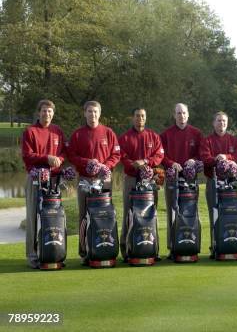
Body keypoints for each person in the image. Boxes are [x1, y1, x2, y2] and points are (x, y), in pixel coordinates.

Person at [67, 101, 120, 265]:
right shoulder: (77, 134)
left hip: (104, 179)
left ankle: (105, 248)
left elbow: (116, 154)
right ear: (85, 113)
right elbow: (71, 155)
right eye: (89, 111)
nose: (93, 115)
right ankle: (85, 252)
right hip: (85, 180)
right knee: (84, 216)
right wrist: (87, 162)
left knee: (104, 215)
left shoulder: (108, 132)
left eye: (95, 112)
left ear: (100, 113)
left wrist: (105, 166)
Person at [21, 99, 66, 269]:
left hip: (53, 180)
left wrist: (58, 160)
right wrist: (46, 158)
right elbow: (27, 155)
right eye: (44, 111)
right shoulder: (30, 131)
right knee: (33, 217)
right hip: (35, 179)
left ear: (53, 114)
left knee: (53, 217)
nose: (47, 114)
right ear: (38, 113)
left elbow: (63, 153)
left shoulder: (58, 131)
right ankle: (33, 255)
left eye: (50, 111)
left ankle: (53, 252)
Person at [118, 107, 164, 260]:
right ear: (133, 118)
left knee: (151, 213)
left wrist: (145, 162)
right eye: (137, 116)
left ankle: (153, 248)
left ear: (146, 118)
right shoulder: (125, 137)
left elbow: (159, 156)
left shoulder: (154, 136)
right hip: (131, 179)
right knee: (128, 212)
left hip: (150, 180)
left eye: (143, 116)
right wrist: (133, 164)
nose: (140, 119)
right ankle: (126, 249)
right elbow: (121, 157)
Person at [160, 103, 203, 259]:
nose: (181, 116)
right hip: (173, 177)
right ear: (174, 115)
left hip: (190, 178)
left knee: (191, 211)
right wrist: (172, 164)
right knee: (173, 212)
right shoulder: (166, 135)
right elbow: (161, 156)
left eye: (184, 113)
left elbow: (201, 154)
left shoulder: (196, 133)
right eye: (178, 113)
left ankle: (191, 243)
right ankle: (173, 246)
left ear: (188, 114)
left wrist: (193, 160)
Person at [200, 111, 237, 258]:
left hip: (231, 183)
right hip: (213, 181)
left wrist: (227, 157)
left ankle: (231, 242)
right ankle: (215, 245)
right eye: (218, 121)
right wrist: (217, 160)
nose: (221, 123)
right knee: (215, 214)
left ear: (227, 123)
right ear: (214, 123)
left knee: (230, 213)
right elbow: (205, 158)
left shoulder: (234, 140)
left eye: (224, 121)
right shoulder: (207, 141)